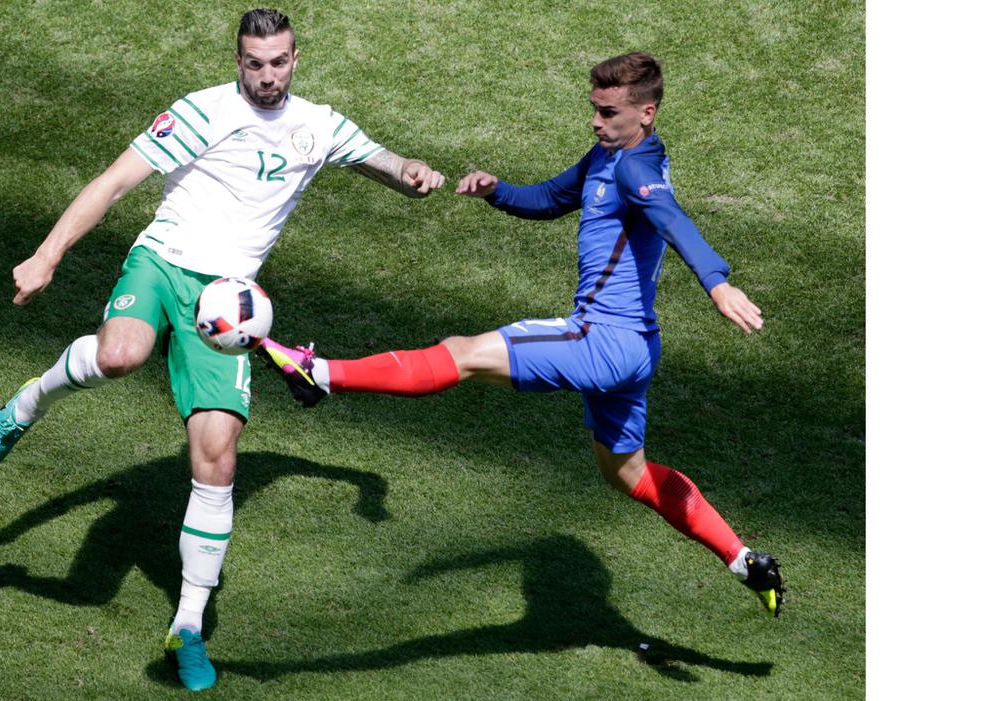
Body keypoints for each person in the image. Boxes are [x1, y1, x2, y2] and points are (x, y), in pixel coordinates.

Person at [0, 8, 445, 692]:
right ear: (237, 60)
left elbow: (381, 162)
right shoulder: (200, 112)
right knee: (119, 356)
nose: (266, 75)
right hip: (163, 265)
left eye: (278, 61)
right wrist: (46, 256)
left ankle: (187, 627)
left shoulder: (320, 124)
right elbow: (111, 183)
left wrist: (413, 172)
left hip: (228, 304)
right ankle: (27, 403)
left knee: (218, 460)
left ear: (294, 58)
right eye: (254, 63)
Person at [262, 52, 786, 619]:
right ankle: (744, 560)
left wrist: (717, 283)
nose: (595, 121)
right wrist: (497, 191)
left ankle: (320, 374)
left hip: (600, 340)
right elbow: (552, 198)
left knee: (462, 354)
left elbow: (673, 221)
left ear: (647, 113)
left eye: (608, 112)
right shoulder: (610, 156)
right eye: (593, 109)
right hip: (635, 351)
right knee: (628, 473)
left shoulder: (637, 171)